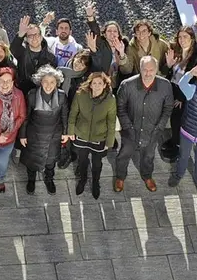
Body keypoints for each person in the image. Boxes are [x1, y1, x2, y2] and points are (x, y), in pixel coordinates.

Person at [114, 55, 173, 192]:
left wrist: (159, 127)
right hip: (131, 129)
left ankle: (147, 176)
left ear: (156, 69)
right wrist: (128, 127)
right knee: (124, 154)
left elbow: (168, 108)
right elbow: (120, 107)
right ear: (140, 69)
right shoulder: (127, 85)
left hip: (152, 130)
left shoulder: (165, 85)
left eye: (151, 70)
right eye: (145, 70)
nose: (148, 73)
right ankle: (120, 177)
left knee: (149, 156)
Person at [19, 66, 68, 194]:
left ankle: (49, 179)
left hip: (53, 135)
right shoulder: (32, 95)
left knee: (50, 161)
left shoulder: (62, 96)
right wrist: (23, 135)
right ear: (40, 81)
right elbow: (25, 116)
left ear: (57, 83)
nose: (48, 85)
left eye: (52, 82)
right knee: (32, 161)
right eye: (45, 81)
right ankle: (31, 180)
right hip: (35, 134)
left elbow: (64, 116)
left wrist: (66, 133)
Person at [67, 72, 115, 199]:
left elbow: (111, 122)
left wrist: (109, 143)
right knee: (82, 161)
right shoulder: (80, 95)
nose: (97, 86)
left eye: (100, 83)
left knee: (97, 163)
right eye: (94, 83)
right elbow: (73, 114)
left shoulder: (110, 100)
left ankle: (95, 183)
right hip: (81, 134)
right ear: (90, 84)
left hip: (99, 137)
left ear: (105, 85)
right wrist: (70, 131)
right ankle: (82, 180)